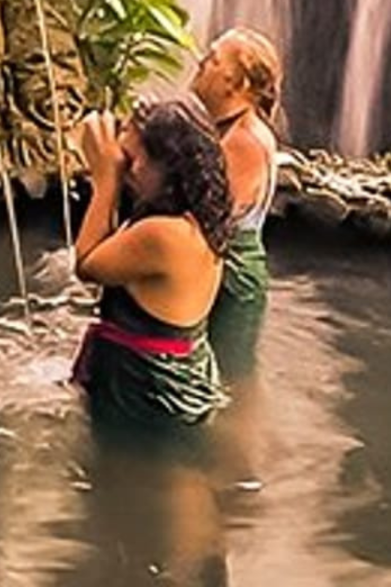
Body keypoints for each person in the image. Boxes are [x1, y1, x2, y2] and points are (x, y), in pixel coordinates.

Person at [72, 97, 233, 430]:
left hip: (153, 389)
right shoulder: (197, 215)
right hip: (173, 377)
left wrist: (106, 181)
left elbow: (87, 264)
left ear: (168, 165)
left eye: (131, 161)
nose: (125, 170)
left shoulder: (164, 235)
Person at [191, 27, 281, 308]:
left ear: (236, 85)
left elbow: (212, 220)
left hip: (231, 281)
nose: (201, 62)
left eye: (214, 59)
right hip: (213, 270)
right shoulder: (225, 127)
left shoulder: (246, 142)